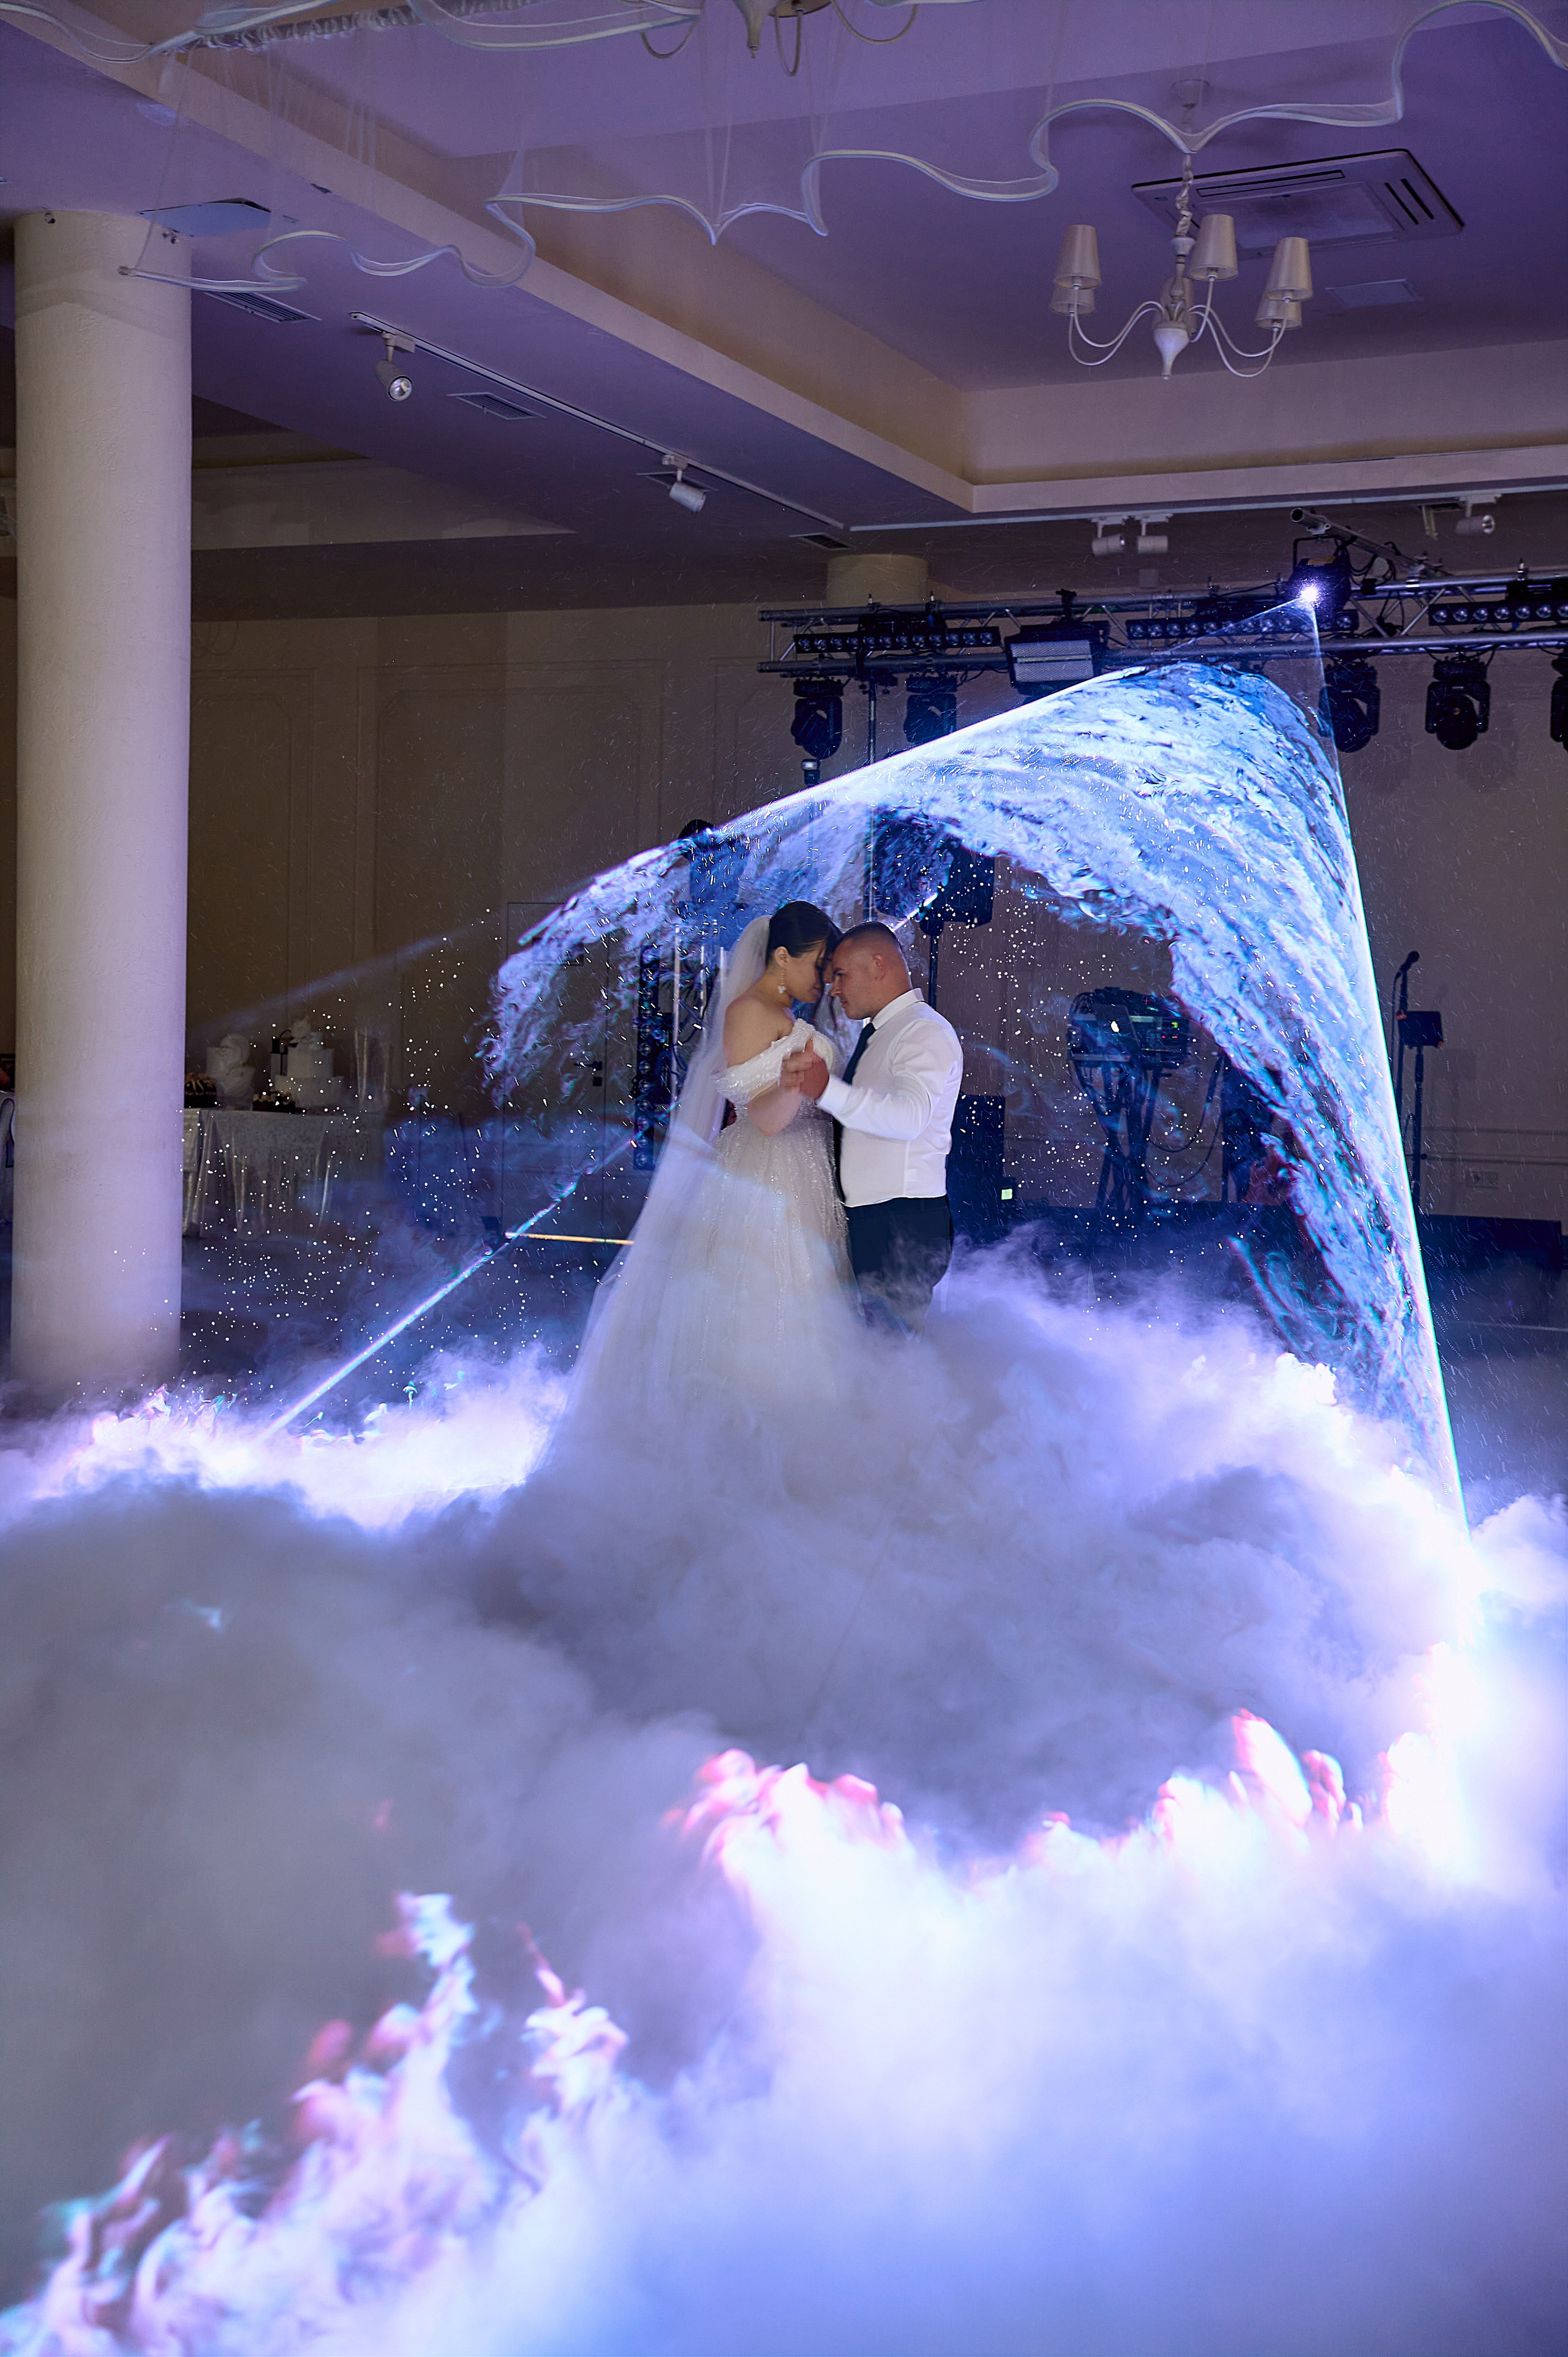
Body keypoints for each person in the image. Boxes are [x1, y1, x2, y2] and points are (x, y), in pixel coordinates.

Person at [559, 901, 856, 1426]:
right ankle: (754, 1437)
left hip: (805, 1171)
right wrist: (792, 1084)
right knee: (766, 1304)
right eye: (819, 965)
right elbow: (761, 1119)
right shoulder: (746, 1012)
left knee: (808, 1306)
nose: (824, 979)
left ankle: (806, 1437)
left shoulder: (788, 1018)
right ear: (782, 957)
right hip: (767, 1175)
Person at [782, 922, 963, 1335]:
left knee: (894, 1359)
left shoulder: (924, 1031)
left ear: (878, 965)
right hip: (879, 1221)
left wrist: (827, 1090)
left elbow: (910, 1118)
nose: (834, 989)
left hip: (901, 1223)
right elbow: (870, 1121)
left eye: (842, 974)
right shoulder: (886, 1033)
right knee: (877, 1357)